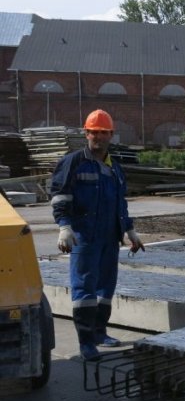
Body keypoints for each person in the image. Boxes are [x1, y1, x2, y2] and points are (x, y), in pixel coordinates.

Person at [51, 109, 144, 360]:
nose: (98, 137)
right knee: (84, 288)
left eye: (103, 132)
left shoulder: (115, 168)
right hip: (84, 236)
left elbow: (120, 203)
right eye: (94, 132)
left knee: (105, 288)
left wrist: (130, 230)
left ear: (111, 135)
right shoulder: (73, 162)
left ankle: (100, 332)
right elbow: (60, 196)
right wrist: (64, 227)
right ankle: (86, 342)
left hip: (109, 237)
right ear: (86, 133)